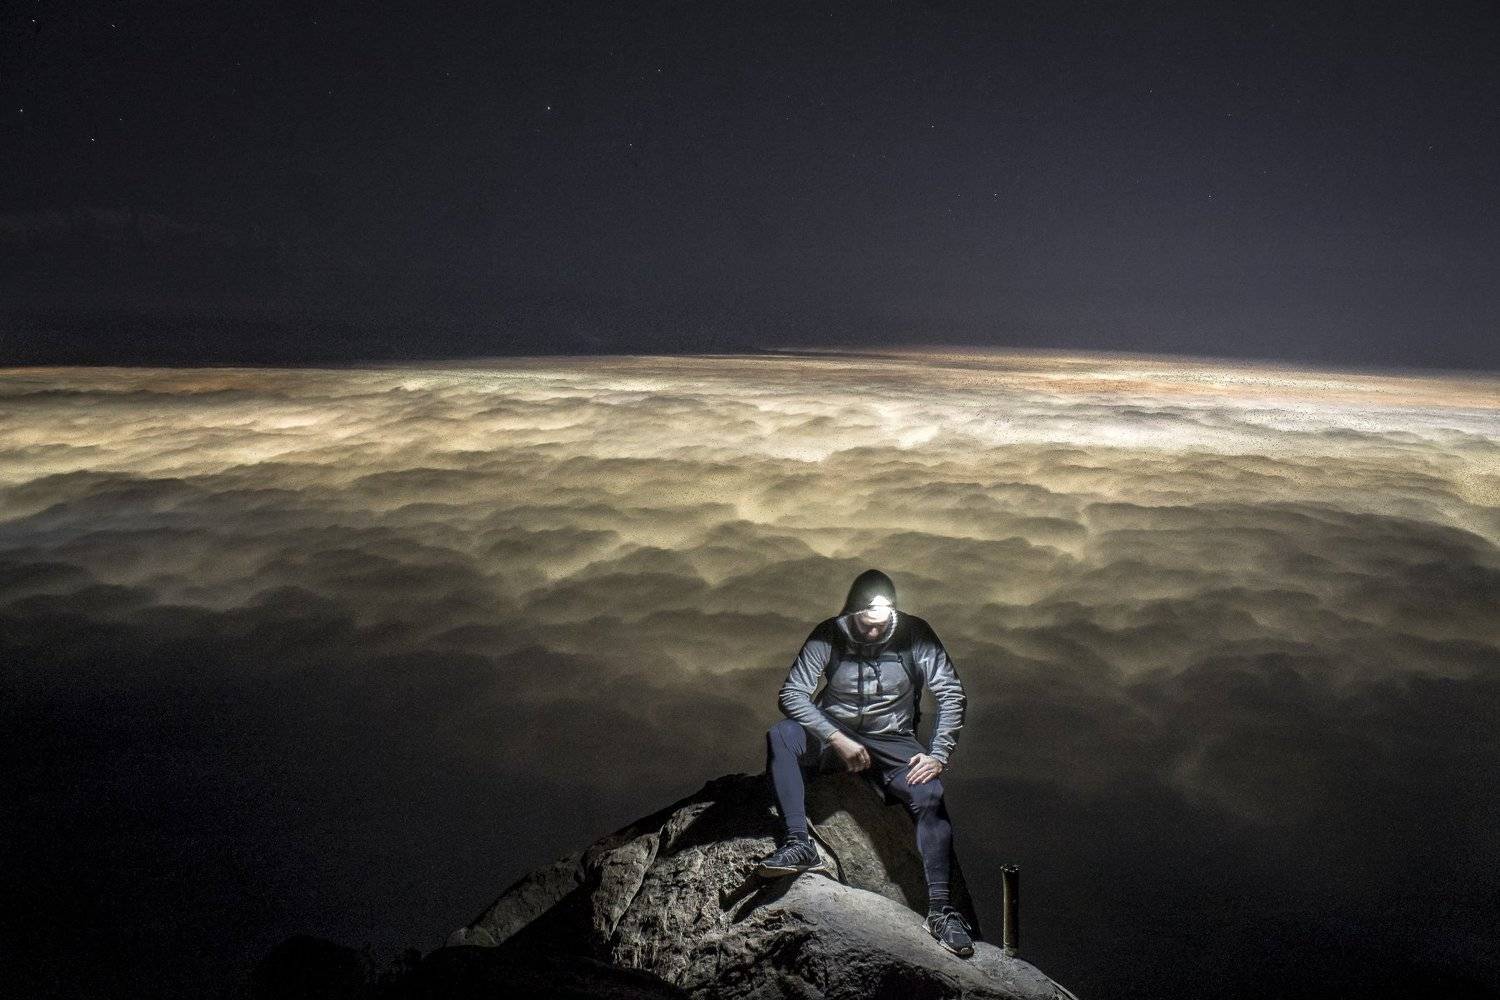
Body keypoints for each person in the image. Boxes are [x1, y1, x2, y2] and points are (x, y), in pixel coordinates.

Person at [756, 568, 974, 957]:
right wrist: (834, 737)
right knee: (782, 736)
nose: (873, 632)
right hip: (833, 729)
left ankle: (941, 911)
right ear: (851, 612)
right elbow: (792, 693)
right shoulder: (829, 634)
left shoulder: (915, 634)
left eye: (882, 623)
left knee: (929, 795)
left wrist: (939, 754)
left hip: (892, 738)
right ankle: (799, 843)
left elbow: (951, 692)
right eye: (865, 623)